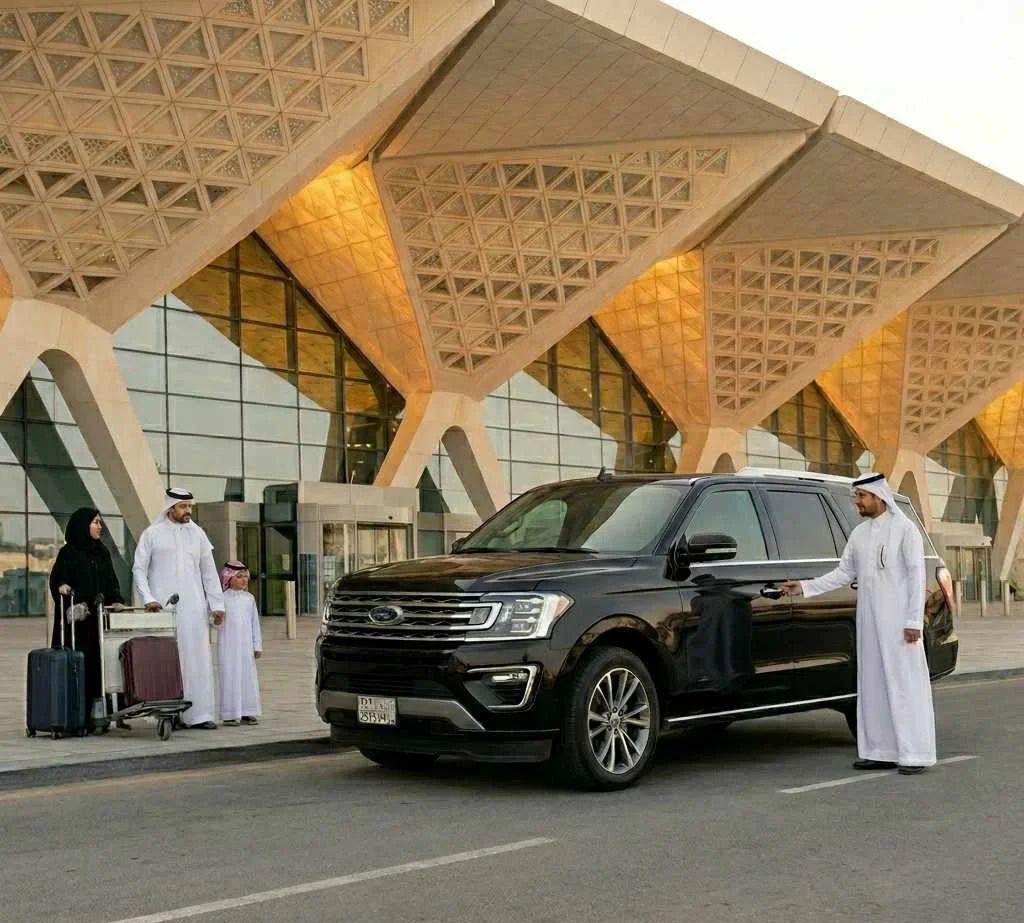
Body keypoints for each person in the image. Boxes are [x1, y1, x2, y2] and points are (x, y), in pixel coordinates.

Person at [781, 473, 936, 775]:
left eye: (862, 497)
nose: (857, 503)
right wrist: (804, 586)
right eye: (856, 497)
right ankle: (880, 751)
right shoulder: (860, 534)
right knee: (873, 685)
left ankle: (915, 753)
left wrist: (913, 620)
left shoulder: (905, 531)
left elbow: (918, 577)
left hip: (900, 624)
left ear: (879, 497)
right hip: (869, 623)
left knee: (904, 686)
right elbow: (843, 573)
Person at [132, 488, 224, 729]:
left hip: (194, 608)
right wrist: (148, 598)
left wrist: (216, 605)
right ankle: (168, 713)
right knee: (168, 660)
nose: (188, 511)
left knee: (197, 659)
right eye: (183, 507)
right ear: (170, 507)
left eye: (190, 507)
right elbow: (138, 569)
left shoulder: (198, 534)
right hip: (162, 609)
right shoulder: (152, 534)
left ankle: (200, 715)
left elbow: (209, 573)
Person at [48, 507, 125, 730]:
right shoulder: (68, 553)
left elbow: (111, 582)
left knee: (100, 666)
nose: (100, 526)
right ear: (83, 526)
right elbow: (58, 581)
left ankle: (99, 715)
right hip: (77, 624)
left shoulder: (102, 552)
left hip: (98, 621)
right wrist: (63, 588)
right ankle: (76, 715)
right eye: (95, 522)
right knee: (80, 666)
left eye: (100, 522)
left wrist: (117, 600)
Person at [217, 561, 262, 727]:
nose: (244, 580)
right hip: (228, 646)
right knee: (230, 677)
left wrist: (257, 645)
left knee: (247, 677)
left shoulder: (249, 599)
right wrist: (216, 619)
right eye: (240, 577)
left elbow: (254, 624)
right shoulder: (221, 598)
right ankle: (229, 714)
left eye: (246, 577)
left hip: (246, 647)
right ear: (229, 578)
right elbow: (213, 622)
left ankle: (248, 712)